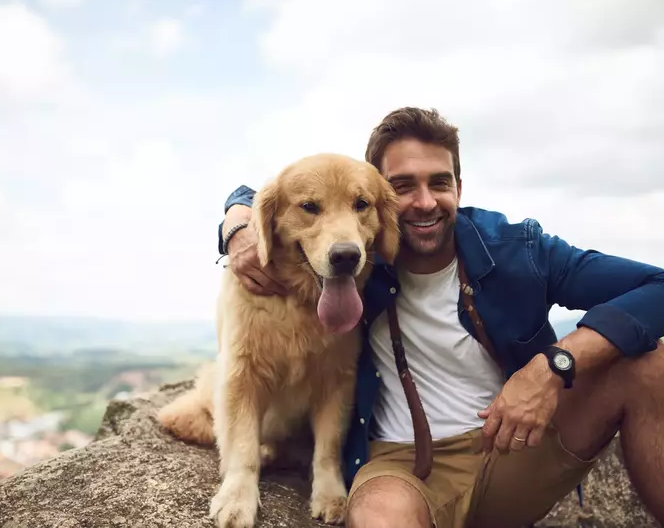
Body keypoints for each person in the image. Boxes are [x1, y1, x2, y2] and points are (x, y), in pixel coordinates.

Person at [214, 107, 664, 528]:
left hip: (514, 448)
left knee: (650, 363)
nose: (425, 202)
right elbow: (285, 197)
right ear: (384, 199)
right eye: (404, 186)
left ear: (459, 189)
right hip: (401, 466)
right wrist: (236, 225)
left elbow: (657, 286)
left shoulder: (518, 250)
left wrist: (552, 366)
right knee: (378, 516)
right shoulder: (351, 259)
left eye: (439, 183)